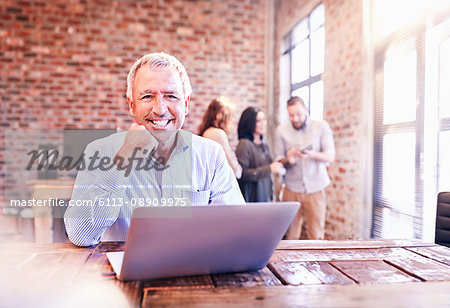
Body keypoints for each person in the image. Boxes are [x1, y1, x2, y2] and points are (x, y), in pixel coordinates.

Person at [64, 52, 245, 247]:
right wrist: (125, 157)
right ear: (132, 105)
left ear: (185, 105)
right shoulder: (99, 151)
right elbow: (80, 234)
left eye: (171, 96)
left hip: (193, 272)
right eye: (148, 96)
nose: (160, 109)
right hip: (122, 274)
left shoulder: (211, 154)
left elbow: (236, 230)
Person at [274, 96, 335, 240]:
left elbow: (330, 156)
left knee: (316, 234)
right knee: (291, 235)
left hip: (316, 189)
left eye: (299, 114)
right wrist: (288, 159)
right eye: (291, 115)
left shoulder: (321, 127)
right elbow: (277, 159)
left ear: (306, 110)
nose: (295, 118)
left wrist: (312, 154)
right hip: (291, 190)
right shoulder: (281, 131)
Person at [235, 107, 283, 202]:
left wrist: (271, 196)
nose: (263, 124)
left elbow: (270, 169)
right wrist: (269, 169)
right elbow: (242, 174)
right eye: (258, 121)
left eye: (264, 120)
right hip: (252, 199)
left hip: (265, 197)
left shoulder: (264, 142)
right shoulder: (244, 144)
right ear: (250, 123)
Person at [198, 96, 242, 179]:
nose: (232, 120)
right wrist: (238, 168)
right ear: (220, 116)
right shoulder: (217, 134)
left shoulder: (208, 132)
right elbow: (235, 170)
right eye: (230, 116)